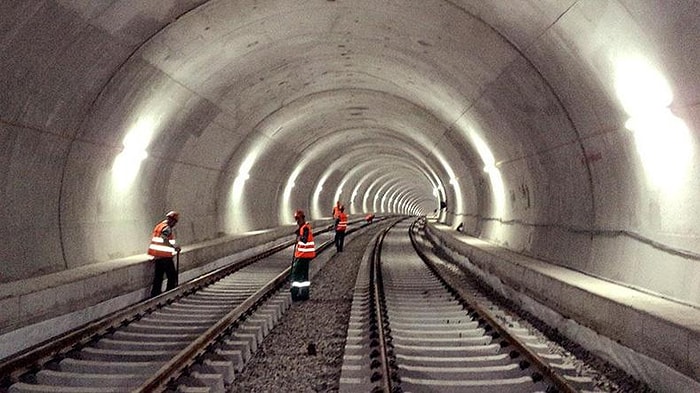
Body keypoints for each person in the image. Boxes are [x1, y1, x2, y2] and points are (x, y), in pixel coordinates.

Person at [148, 210, 181, 297]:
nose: (174, 224)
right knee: (172, 275)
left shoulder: (159, 226)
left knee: (158, 277)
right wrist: (175, 248)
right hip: (165, 256)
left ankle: (155, 294)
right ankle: (170, 294)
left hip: (157, 255)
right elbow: (164, 239)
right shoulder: (167, 228)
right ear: (172, 220)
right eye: (175, 222)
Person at [291, 209, 315, 301]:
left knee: (296, 275)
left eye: (298, 218)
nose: (297, 221)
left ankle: (295, 294)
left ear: (302, 218)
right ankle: (304, 295)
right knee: (304, 276)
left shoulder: (304, 228)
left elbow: (304, 240)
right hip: (305, 256)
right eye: (296, 219)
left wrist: (299, 237)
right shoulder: (304, 227)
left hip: (302, 256)